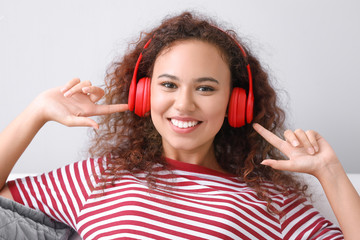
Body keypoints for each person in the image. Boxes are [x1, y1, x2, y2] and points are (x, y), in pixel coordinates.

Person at [0, 11, 358, 239]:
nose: (184, 104)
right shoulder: (97, 177)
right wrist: (37, 113)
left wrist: (329, 171)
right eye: (168, 85)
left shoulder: (273, 203)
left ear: (237, 103)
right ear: (144, 95)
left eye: (205, 88)